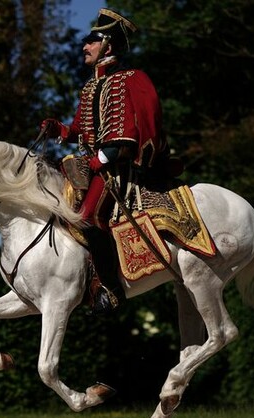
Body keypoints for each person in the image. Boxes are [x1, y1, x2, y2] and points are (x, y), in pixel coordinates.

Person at [41, 8, 169, 315]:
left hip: (118, 169)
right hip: (93, 165)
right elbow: (81, 130)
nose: (84, 47)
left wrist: (99, 159)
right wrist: (60, 129)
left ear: (107, 46)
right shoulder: (89, 86)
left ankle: (110, 290)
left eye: (90, 41)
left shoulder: (130, 79)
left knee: (85, 216)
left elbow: (125, 136)